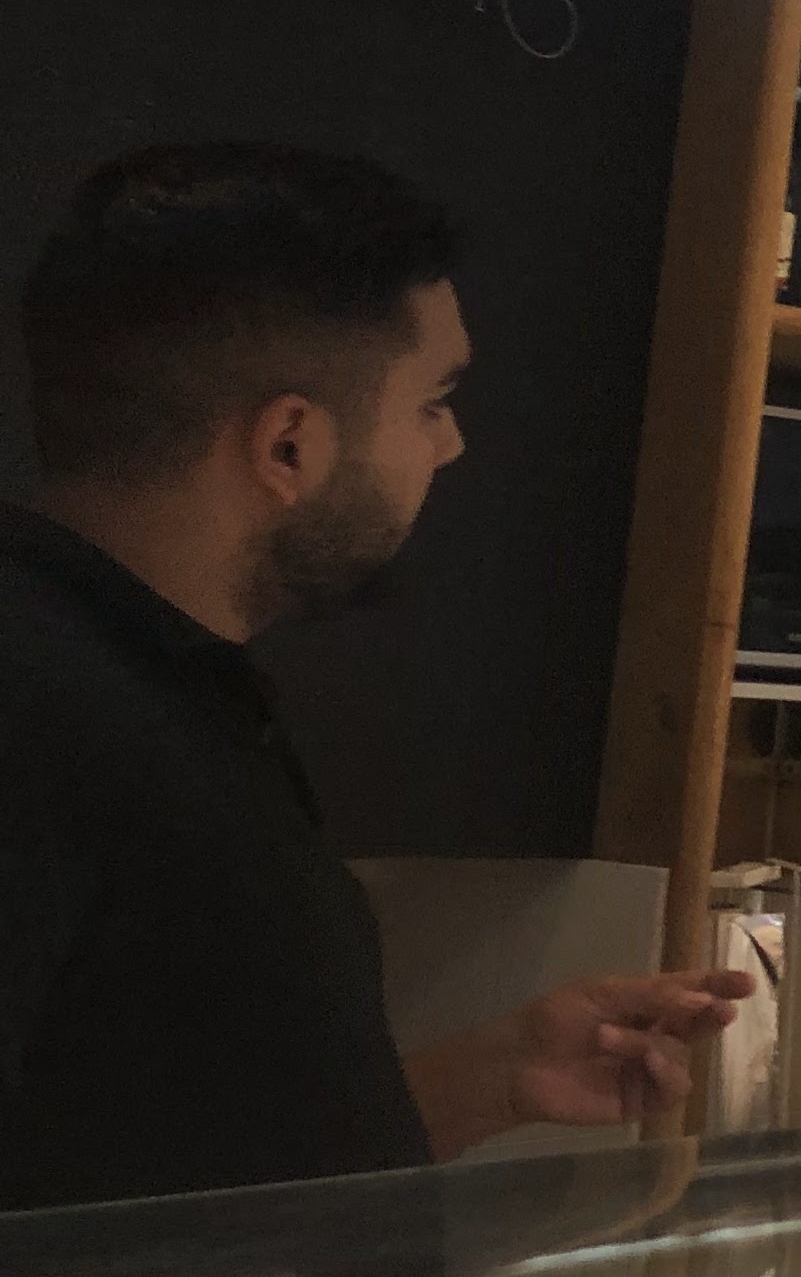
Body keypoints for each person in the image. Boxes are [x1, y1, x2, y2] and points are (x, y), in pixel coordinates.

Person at [0, 144, 753, 1214]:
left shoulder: (167, 685)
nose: (451, 445)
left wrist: (491, 1079)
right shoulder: (35, 704)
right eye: (431, 401)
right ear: (289, 447)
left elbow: (164, 1167)